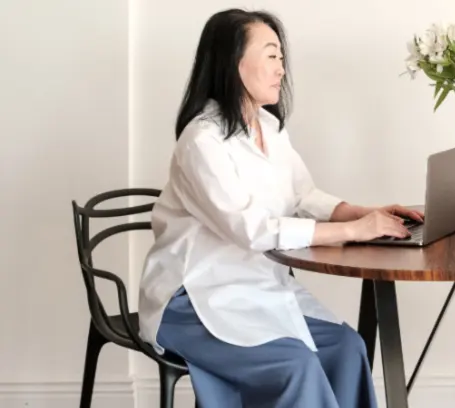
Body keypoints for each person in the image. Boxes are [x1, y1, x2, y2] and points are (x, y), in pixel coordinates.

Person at [137, 8, 421, 408]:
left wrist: (362, 213)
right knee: (297, 365)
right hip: (194, 299)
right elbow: (251, 229)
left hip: (257, 289)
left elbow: (304, 196)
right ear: (233, 62)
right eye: (271, 55)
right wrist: (352, 232)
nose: (281, 70)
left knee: (346, 347)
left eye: (281, 58)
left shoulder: (270, 128)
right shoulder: (202, 142)